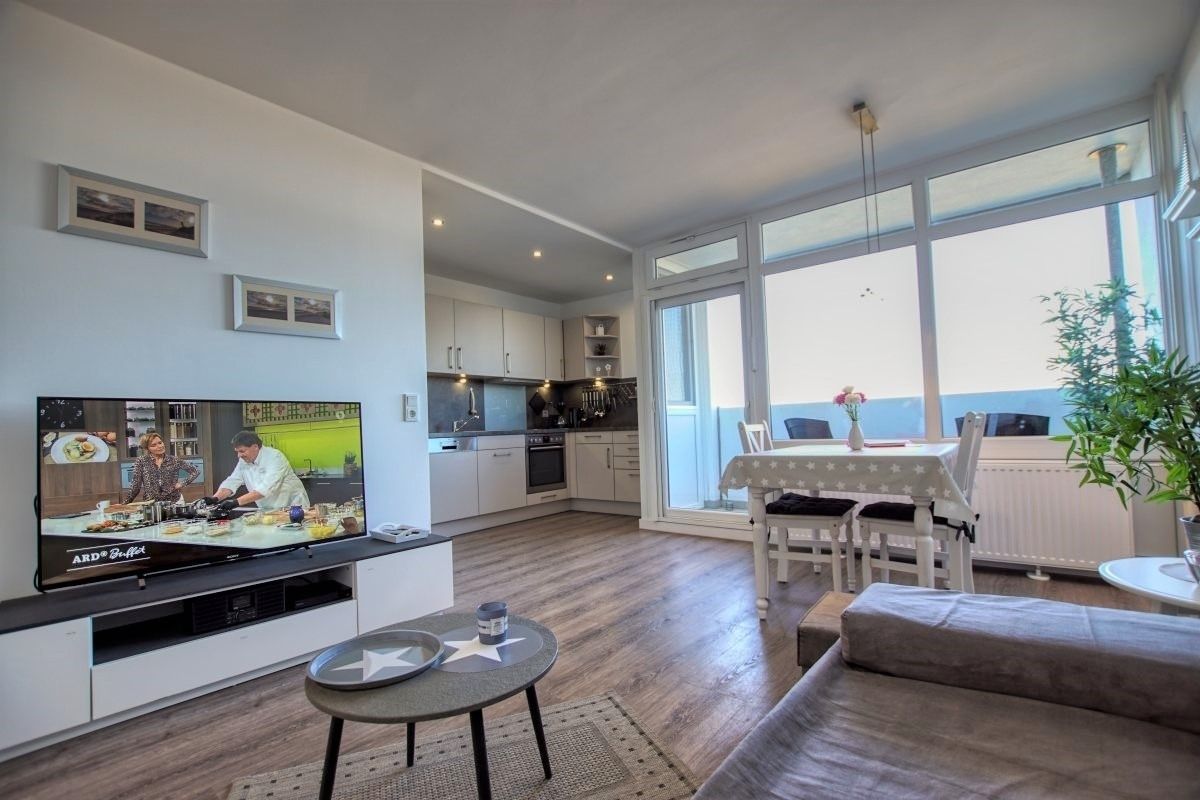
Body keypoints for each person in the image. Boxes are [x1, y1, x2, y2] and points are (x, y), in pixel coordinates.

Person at [204, 430, 309, 511]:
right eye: (237, 452)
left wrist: (236, 502)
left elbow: (266, 488)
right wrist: (215, 498)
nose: (239, 455)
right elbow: (232, 481)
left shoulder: (275, 457)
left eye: (242, 451)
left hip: (293, 506)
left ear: (255, 447)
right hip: (267, 509)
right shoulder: (243, 461)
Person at [123, 432, 200, 504]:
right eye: (154, 445)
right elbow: (136, 486)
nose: (159, 446)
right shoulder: (141, 461)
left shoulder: (174, 460)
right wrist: (125, 504)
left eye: (160, 443)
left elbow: (196, 471)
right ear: (147, 448)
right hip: (151, 503)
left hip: (174, 502)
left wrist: (182, 483)